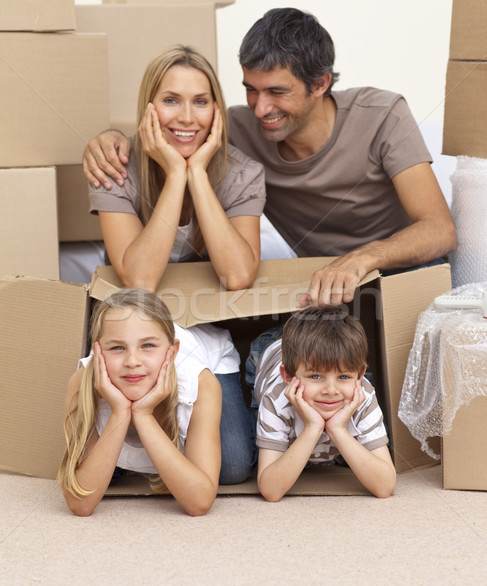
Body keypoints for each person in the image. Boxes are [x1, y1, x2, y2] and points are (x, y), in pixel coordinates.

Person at [82, 9, 457, 307]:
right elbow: (183, 128)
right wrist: (110, 140)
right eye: (251, 90)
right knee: (269, 355)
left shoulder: (382, 114)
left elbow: (440, 230)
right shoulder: (234, 129)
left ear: (320, 83)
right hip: (322, 284)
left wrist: (361, 259)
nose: (261, 109)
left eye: (277, 91)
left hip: (403, 269)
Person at [84, 46, 264, 484]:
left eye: (200, 102)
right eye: (171, 100)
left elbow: (238, 274)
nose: (186, 117)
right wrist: (173, 175)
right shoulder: (116, 168)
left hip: (203, 337)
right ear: (149, 107)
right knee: (107, 470)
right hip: (132, 337)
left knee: (236, 467)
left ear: (216, 110)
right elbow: (140, 279)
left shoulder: (241, 173)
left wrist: (197, 174)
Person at [57, 288, 225, 516]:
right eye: (117, 347)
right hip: (146, 369)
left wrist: (144, 415)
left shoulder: (199, 383)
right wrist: (120, 412)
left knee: (234, 466)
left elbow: (200, 502)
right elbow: (80, 504)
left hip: (214, 356)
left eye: (147, 346)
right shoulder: (82, 383)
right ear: (98, 353)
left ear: (173, 351)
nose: (132, 361)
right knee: (106, 471)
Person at [253, 306, 396, 501]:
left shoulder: (363, 395)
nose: (331, 390)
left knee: (356, 450)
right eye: (316, 376)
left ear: (360, 376)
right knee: (250, 453)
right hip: (268, 351)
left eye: (344, 376)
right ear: (287, 377)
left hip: (324, 357)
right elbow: (270, 490)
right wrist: (313, 427)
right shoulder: (276, 400)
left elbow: (385, 486)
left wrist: (338, 430)